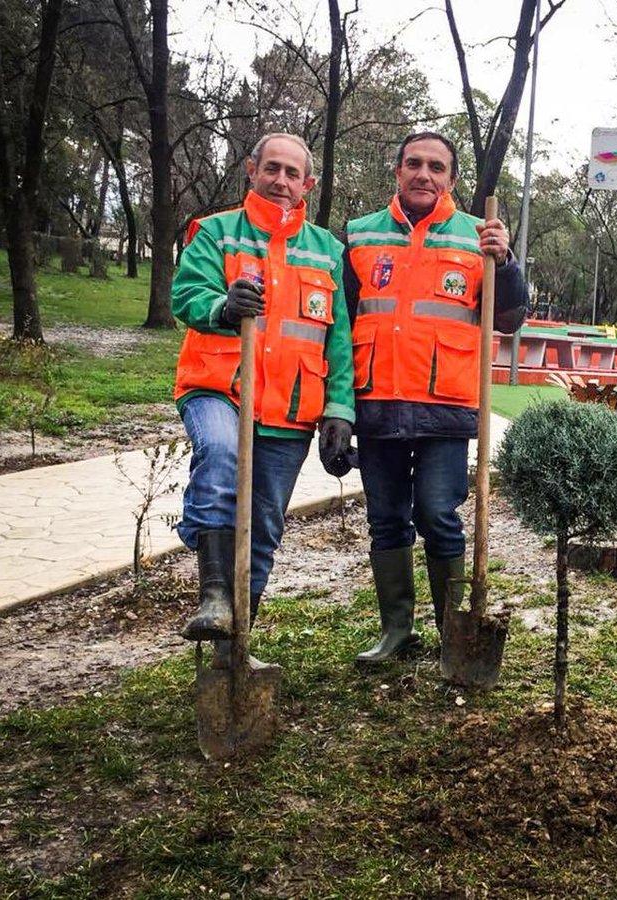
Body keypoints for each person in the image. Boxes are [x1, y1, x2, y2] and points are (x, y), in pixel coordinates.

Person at [341, 131, 528, 664]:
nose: (424, 174)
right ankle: (396, 631)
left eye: (436, 167)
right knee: (385, 518)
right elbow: (340, 325)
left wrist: (507, 262)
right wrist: (336, 409)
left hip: (446, 407)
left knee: (436, 513)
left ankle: (454, 632)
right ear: (397, 172)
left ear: (451, 179)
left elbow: (511, 321)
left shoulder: (479, 237)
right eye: (414, 164)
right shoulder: (358, 236)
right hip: (375, 403)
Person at [174, 132, 356, 667]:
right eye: (271, 169)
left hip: (289, 409)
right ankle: (213, 594)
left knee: (264, 529)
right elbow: (186, 295)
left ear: (308, 184)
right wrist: (222, 307)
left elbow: (338, 338)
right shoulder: (216, 233)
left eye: (292, 173)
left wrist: (340, 410)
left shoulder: (327, 251)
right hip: (219, 388)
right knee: (223, 456)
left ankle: (233, 653)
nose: (280, 180)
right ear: (251, 170)